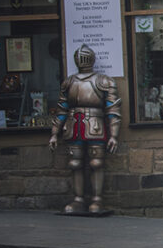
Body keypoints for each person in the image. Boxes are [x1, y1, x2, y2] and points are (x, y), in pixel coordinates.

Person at [48, 44, 121, 214]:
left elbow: (113, 109)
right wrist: (54, 133)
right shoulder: (69, 82)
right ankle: (78, 199)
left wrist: (114, 135)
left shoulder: (104, 81)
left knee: (97, 163)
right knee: (74, 164)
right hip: (74, 125)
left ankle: (97, 200)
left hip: (96, 124)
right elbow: (62, 109)